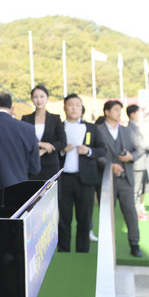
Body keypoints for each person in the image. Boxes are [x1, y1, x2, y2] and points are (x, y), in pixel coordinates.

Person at [58, 94, 106, 253]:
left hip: (85, 179)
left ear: (82, 108)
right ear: (65, 107)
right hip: (63, 179)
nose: (73, 108)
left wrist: (89, 150)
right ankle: (64, 249)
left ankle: (82, 250)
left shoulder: (92, 127)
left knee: (84, 218)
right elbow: (53, 149)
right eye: (70, 105)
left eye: (77, 105)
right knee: (64, 218)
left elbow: (102, 149)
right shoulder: (58, 127)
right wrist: (62, 151)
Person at [96, 100, 143, 257]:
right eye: (116, 109)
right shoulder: (98, 130)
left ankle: (134, 244)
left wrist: (130, 157)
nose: (119, 113)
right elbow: (97, 154)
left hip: (125, 178)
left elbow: (140, 149)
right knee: (107, 215)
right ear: (107, 112)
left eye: (120, 110)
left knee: (130, 212)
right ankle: (107, 246)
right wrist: (110, 166)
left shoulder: (127, 131)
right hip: (106, 179)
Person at [21, 84, 66, 180]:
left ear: (47, 98)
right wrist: (39, 144)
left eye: (42, 96)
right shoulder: (25, 119)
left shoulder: (55, 118)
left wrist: (44, 150)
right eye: (35, 97)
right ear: (32, 99)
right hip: (31, 165)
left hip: (51, 165)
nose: (39, 100)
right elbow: (22, 140)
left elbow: (62, 142)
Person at [126, 104, 149, 220]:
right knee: (135, 190)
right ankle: (136, 214)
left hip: (141, 163)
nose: (140, 115)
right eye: (138, 113)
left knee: (139, 189)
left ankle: (138, 212)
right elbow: (140, 145)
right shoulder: (130, 129)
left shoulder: (134, 127)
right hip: (137, 164)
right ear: (132, 114)